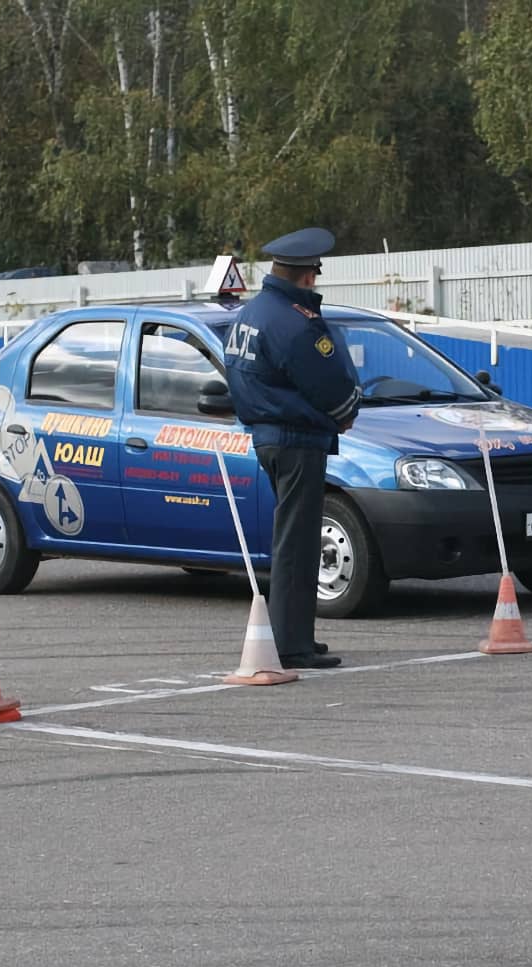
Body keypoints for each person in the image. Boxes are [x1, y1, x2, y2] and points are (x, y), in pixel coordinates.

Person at [224, 227, 360, 669]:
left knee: (294, 540)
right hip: (297, 439)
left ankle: (298, 634)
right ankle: (290, 644)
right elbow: (332, 388)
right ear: (307, 276)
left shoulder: (251, 315)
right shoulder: (295, 323)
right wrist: (344, 411)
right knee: (297, 544)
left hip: (267, 437)